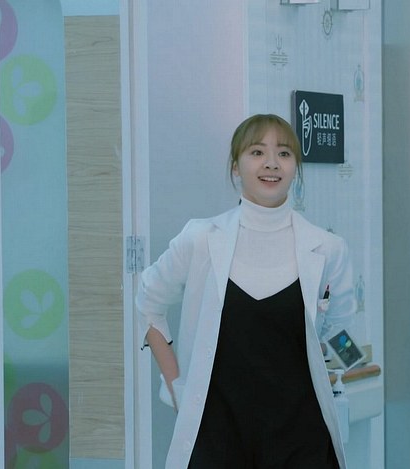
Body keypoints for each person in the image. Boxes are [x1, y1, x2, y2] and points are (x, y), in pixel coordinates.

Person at [136, 114, 356, 468]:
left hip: (301, 437)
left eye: (284, 153)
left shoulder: (328, 248)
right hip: (217, 436)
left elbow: (341, 332)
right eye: (257, 152)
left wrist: (340, 372)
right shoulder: (200, 239)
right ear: (236, 167)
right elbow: (148, 304)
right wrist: (176, 386)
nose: (271, 163)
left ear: (295, 168)